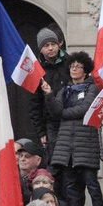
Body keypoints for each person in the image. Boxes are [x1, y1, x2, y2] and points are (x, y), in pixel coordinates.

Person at [44, 51, 103, 206]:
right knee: (70, 183)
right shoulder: (64, 90)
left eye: (78, 66)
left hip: (85, 143)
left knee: (90, 181)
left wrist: (63, 112)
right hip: (67, 145)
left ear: (85, 70)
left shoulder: (92, 88)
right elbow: (55, 112)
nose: (74, 69)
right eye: (72, 66)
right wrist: (49, 95)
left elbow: (85, 109)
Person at [30, 27, 70, 166]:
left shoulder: (71, 63)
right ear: (40, 49)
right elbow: (34, 104)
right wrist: (41, 132)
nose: (51, 48)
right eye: (46, 45)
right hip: (51, 124)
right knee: (55, 163)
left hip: (70, 119)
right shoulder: (37, 71)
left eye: (53, 44)